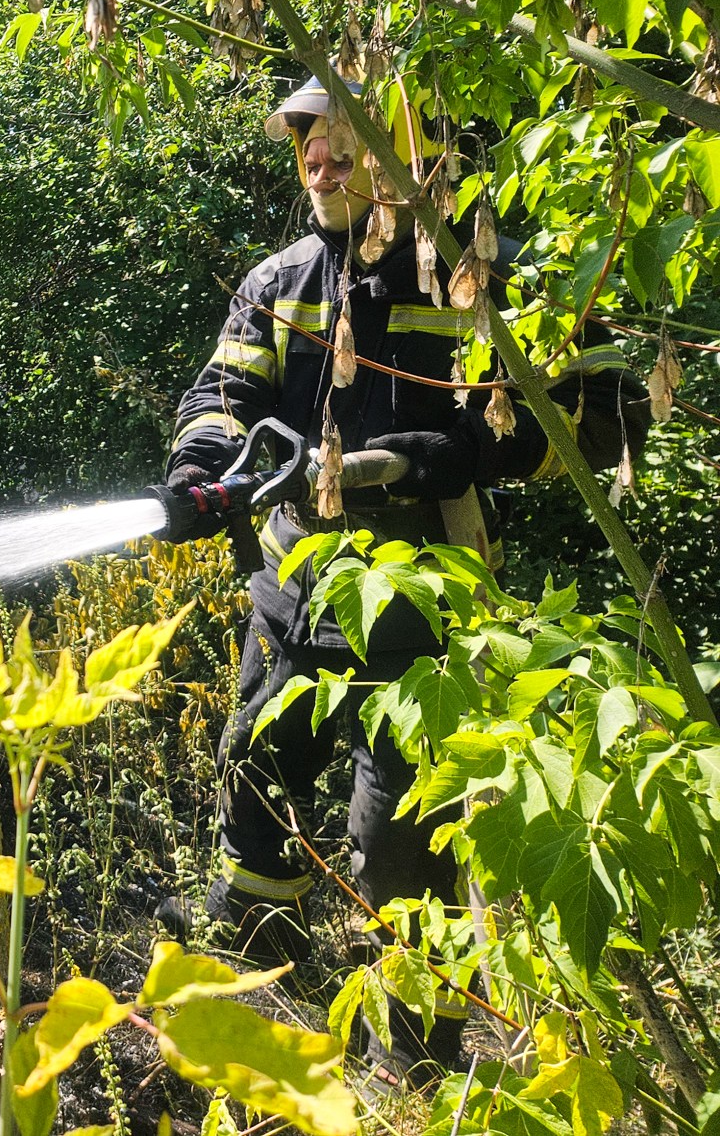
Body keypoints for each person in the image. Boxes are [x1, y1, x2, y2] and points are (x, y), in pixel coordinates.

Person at [155, 76, 650, 1085]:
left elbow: (613, 412)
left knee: (398, 854)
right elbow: (220, 391)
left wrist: (474, 446)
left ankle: (406, 1074)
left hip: (430, 612)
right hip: (293, 592)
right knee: (251, 782)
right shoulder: (282, 277)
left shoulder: (482, 275)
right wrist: (198, 468)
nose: (317, 159)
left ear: (416, 153)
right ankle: (250, 1011)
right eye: (305, 141)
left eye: (342, 139)